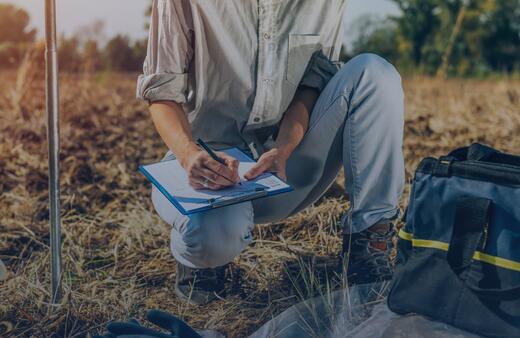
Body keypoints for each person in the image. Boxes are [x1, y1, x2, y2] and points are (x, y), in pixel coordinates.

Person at [136, 0, 405, 305]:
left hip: (286, 165)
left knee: (375, 74)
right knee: (210, 240)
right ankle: (200, 266)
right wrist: (188, 155)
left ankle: (369, 245)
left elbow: (311, 85)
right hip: (208, 167)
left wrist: (283, 148)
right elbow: (161, 95)